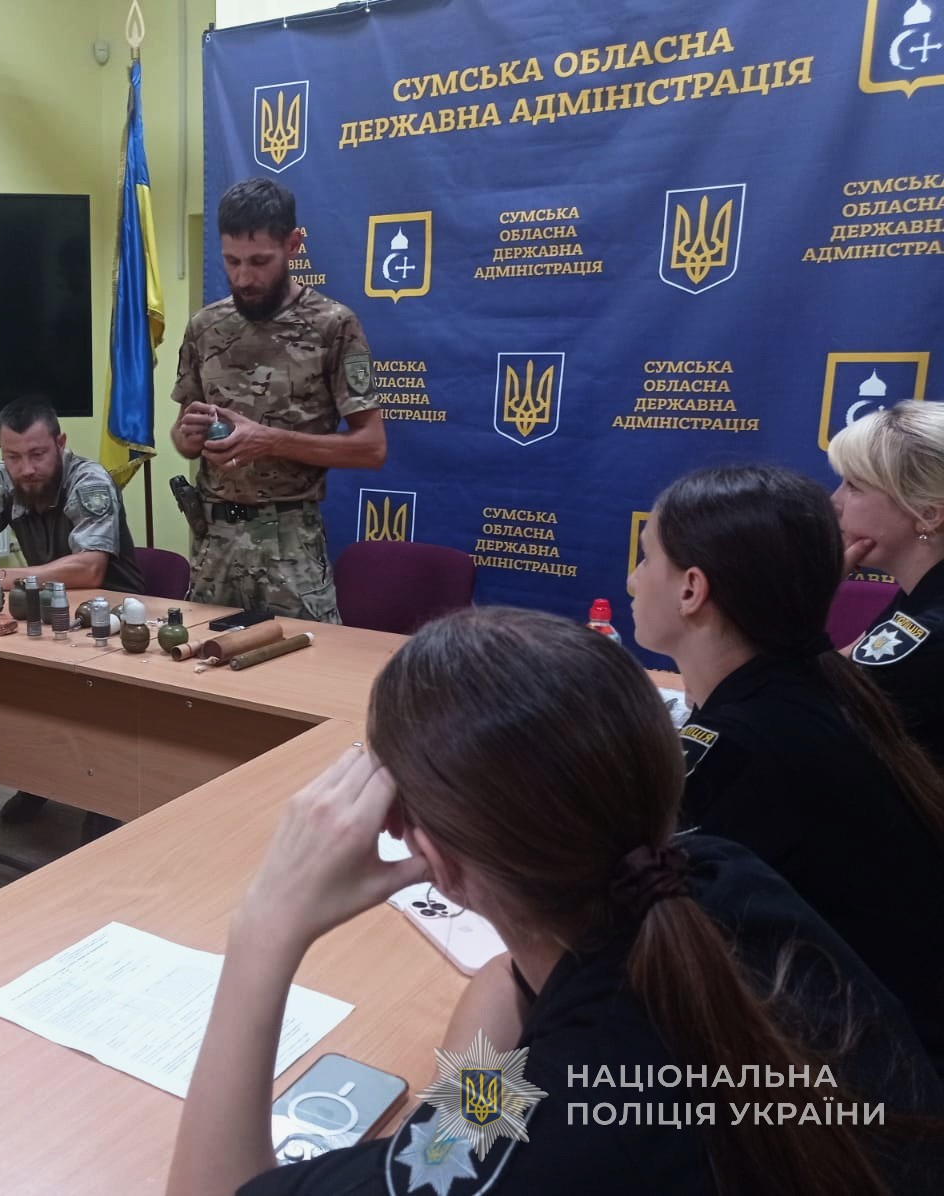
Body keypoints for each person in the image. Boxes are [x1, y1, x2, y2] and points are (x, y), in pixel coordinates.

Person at [167, 608, 943, 1195]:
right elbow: (511, 981)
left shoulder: (549, 1152)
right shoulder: (709, 873)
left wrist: (265, 928)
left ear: (431, 852)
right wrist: (455, 1120)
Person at [629, 463, 944, 1076]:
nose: (632, 579)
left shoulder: (740, 753)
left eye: (646, 558)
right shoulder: (818, 688)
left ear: (692, 590)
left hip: (853, 1091)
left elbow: (619, 957)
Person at [168, 178, 385, 623]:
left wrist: (269, 440)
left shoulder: (333, 325)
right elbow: (182, 435)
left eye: (260, 261)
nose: (244, 278)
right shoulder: (205, 326)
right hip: (214, 542)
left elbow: (371, 448)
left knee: (304, 659)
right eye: (232, 261)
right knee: (203, 659)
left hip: (291, 543)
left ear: (293, 244)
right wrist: (186, 437)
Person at [0, 397, 143, 836]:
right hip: (45, 611)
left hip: (111, 618)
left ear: (60, 443)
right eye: (13, 457)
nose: (26, 468)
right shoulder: (3, 483)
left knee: (94, 701)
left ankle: (105, 798)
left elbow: (90, 569)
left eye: (37, 454)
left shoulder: (88, 480)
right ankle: (38, 779)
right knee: (22, 692)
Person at [828, 400, 944, 763]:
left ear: (927, 513)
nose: (835, 501)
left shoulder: (929, 634)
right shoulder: (922, 593)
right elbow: (849, 662)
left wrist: (810, 597)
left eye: (854, 486)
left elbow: (790, 716)